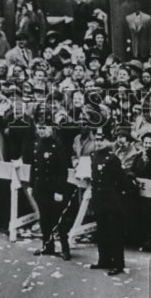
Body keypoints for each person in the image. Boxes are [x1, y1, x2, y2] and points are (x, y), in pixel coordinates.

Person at [25, 113, 76, 258]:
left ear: (51, 129)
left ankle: (65, 249)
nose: (42, 131)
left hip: (54, 189)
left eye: (44, 128)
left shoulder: (57, 145)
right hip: (40, 188)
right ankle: (48, 246)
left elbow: (62, 170)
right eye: (39, 128)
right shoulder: (37, 144)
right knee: (44, 219)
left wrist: (59, 190)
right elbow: (34, 167)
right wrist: (31, 184)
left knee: (58, 220)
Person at [88, 127, 131, 275]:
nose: (98, 143)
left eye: (101, 140)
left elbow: (122, 181)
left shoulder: (112, 159)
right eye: (96, 140)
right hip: (99, 200)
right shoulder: (94, 156)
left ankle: (117, 264)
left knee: (114, 233)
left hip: (112, 202)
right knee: (102, 232)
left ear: (107, 141)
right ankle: (103, 260)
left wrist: (117, 199)